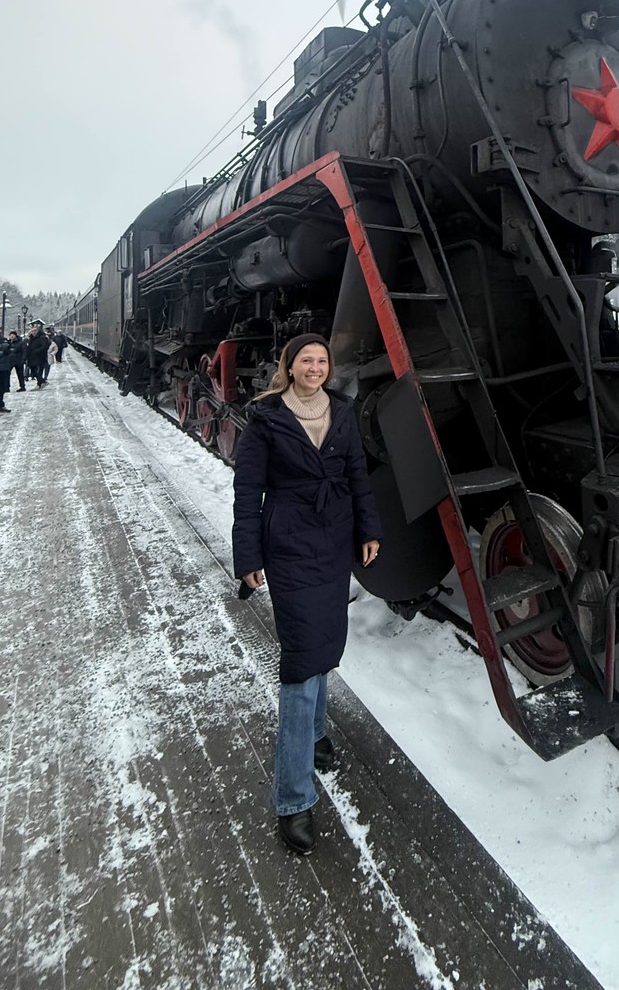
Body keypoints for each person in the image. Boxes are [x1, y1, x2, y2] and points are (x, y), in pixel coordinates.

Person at [232, 333, 381, 856]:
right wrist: (247, 556)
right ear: (289, 367)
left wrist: (369, 529)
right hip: (290, 542)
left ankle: (316, 734)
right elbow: (248, 490)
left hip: (335, 538)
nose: (315, 368)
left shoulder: (342, 412)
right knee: (300, 663)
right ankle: (293, 799)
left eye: (322, 360)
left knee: (326, 645)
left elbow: (358, 477)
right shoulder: (266, 418)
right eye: (305, 361)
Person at [24, 322, 51, 387]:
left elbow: (45, 347)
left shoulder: (42, 337)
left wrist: (35, 351)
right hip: (32, 358)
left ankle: (41, 382)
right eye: (32, 331)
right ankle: (41, 382)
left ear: (38, 331)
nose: (33, 332)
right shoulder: (30, 338)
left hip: (40, 357)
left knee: (39, 371)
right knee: (33, 372)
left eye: (35, 331)